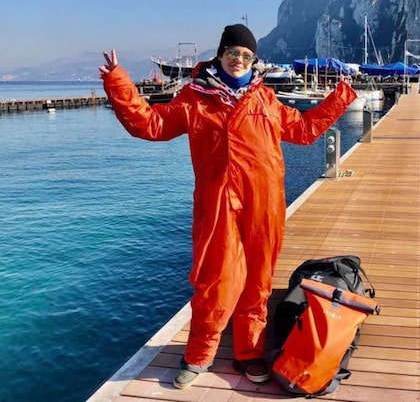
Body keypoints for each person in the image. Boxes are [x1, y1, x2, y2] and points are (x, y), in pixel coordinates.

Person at [99, 23, 357, 389]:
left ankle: (249, 353)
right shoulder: (194, 98)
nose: (239, 60)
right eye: (233, 52)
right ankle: (200, 354)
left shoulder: (265, 99)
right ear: (219, 56)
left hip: (264, 204)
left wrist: (341, 97)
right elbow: (151, 124)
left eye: (246, 55)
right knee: (214, 280)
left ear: (254, 62)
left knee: (258, 281)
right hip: (218, 202)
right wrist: (119, 84)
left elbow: (303, 130)